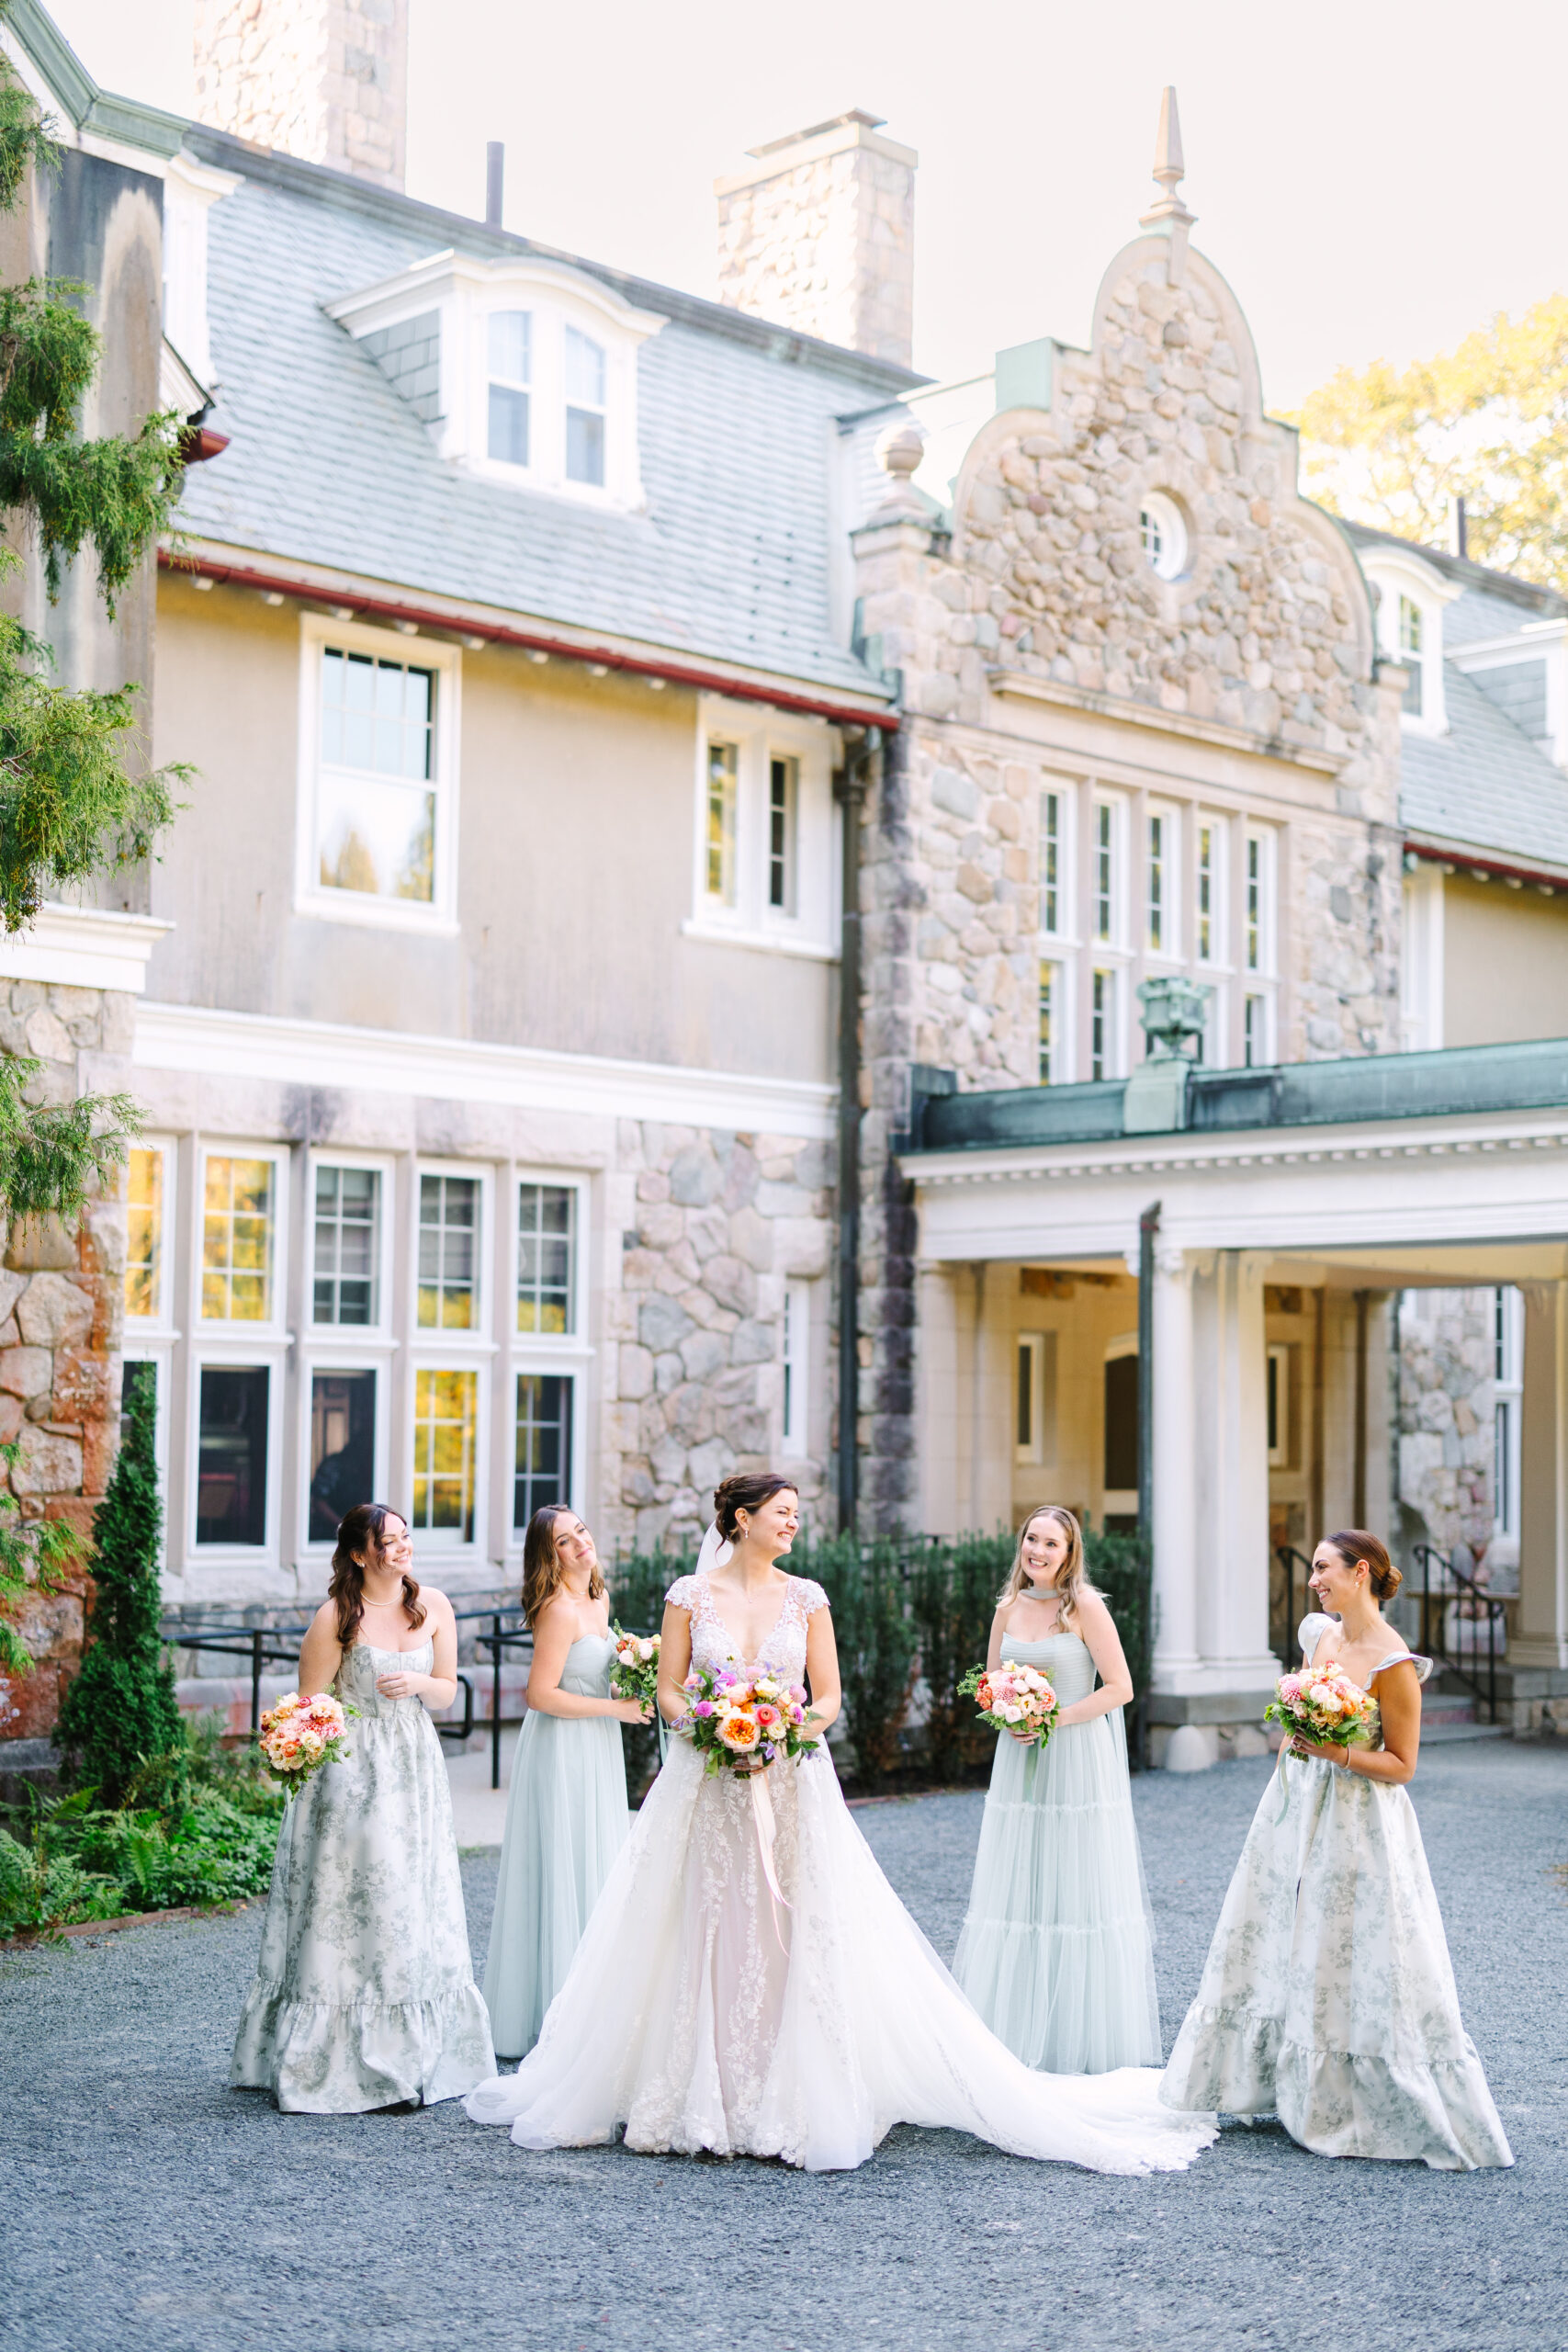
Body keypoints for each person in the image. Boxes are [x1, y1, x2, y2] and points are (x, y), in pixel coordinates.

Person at [466, 1472, 1217, 2176]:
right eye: (782, 1513)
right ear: (741, 1519)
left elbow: (826, 1699)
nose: (794, 1523)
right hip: (708, 1778)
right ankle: (690, 2081)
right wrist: (712, 1722)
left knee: (796, 1922)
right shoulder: (688, 1595)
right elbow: (667, 1689)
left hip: (792, 1775)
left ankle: (791, 2081)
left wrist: (781, 1728)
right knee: (700, 1915)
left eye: (796, 1513)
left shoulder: (809, 1598)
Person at [1160, 1528, 1513, 2169]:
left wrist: (1336, 1751)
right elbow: (1300, 1705)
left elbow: (1402, 1764)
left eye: (1323, 1568)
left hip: (1357, 1818)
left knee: (1349, 1944)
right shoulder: (1318, 1635)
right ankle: (1267, 2077)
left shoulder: (1393, 1663)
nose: (1313, 1579)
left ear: (1361, 1572)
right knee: (1275, 1930)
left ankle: (1351, 2095)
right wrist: (1298, 1731)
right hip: (1294, 1803)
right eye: (1314, 1570)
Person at [231, 1503, 495, 2113]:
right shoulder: (335, 1616)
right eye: (387, 1541)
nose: (402, 1549)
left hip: (413, 1770)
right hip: (351, 1773)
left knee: (410, 1900)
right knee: (361, 1902)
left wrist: (422, 1685)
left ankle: (417, 2054)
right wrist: (312, 1748)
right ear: (358, 1554)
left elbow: (450, 1690)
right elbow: (309, 1705)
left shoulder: (434, 1604)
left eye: (405, 1538)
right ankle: (336, 2057)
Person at [953, 1506, 1159, 2073]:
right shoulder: (1006, 1608)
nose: (1039, 1552)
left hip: (1074, 1756)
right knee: (1023, 1880)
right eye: (1032, 1539)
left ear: (1070, 1555)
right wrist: (1007, 1713)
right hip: (1020, 1760)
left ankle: (1076, 2034)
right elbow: (990, 1684)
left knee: (1074, 1880)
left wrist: (1055, 1719)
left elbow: (1121, 1688)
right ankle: (1017, 2029)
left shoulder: (1084, 1607)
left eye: (1052, 1544)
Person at [482, 1507, 649, 2059]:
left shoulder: (599, 1598)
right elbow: (539, 1694)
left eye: (580, 1531)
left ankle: (592, 2005)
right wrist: (615, 1708)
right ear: (548, 1556)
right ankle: (553, 2014)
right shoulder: (557, 1609)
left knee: (596, 1861)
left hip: (597, 1743)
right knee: (563, 1861)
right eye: (563, 1541)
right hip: (562, 1747)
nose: (580, 1543)